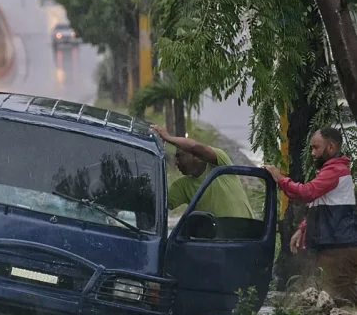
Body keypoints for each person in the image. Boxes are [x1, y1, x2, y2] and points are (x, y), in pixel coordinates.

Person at [264, 127, 357, 303]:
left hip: (338, 248)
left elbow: (308, 192)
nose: (313, 153)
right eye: (311, 148)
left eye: (316, 148)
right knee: (334, 299)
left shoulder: (335, 170)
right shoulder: (330, 170)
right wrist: (302, 228)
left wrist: (280, 178)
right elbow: (322, 205)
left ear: (331, 147)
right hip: (333, 246)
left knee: (340, 300)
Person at [152, 125, 255, 218]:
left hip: (248, 235)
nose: (176, 162)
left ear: (196, 156)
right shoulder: (182, 186)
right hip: (218, 238)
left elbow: (194, 147)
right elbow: (158, 204)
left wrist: (168, 138)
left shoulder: (220, 163)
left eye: (179, 156)